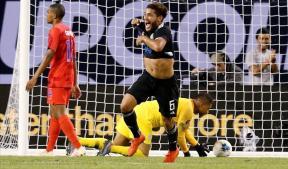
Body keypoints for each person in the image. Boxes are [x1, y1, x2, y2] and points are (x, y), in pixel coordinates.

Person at [120, 3, 179, 162]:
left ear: (160, 18)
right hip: (148, 78)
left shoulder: (163, 31)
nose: (146, 17)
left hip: (166, 84)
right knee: (125, 106)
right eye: (145, 14)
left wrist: (143, 39)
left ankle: (173, 149)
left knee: (167, 120)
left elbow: (158, 47)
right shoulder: (146, 25)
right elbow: (139, 24)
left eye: (150, 15)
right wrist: (137, 22)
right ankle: (138, 136)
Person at [25, 3, 85, 156]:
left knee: (59, 113)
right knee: (54, 114)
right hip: (67, 76)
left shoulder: (55, 30)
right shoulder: (68, 31)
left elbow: (50, 54)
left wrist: (35, 76)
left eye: (48, 13)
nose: (46, 15)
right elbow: (73, 58)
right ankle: (49, 150)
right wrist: (75, 82)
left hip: (58, 77)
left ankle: (78, 147)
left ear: (55, 16)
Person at [77, 93, 213, 157]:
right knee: (142, 154)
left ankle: (77, 141)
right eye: (208, 108)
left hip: (136, 111)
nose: (207, 111)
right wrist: (187, 153)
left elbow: (184, 131)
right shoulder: (189, 108)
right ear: (202, 103)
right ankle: (108, 149)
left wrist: (197, 146)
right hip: (144, 118)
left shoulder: (186, 104)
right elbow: (179, 135)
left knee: (116, 145)